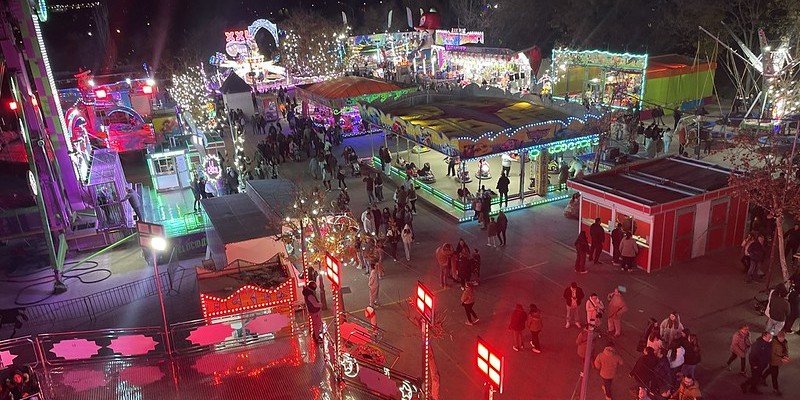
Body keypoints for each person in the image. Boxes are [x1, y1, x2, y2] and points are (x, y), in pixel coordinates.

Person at [761, 330, 789, 395]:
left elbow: (786, 350)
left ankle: (762, 378)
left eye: (783, 338)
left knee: (770, 370)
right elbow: (772, 355)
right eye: (780, 338)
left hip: (778, 361)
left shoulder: (785, 342)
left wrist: (786, 356)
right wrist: (781, 359)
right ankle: (775, 389)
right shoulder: (773, 343)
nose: (782, 339)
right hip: (773, 361)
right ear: (778, 337)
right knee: (775, 375)